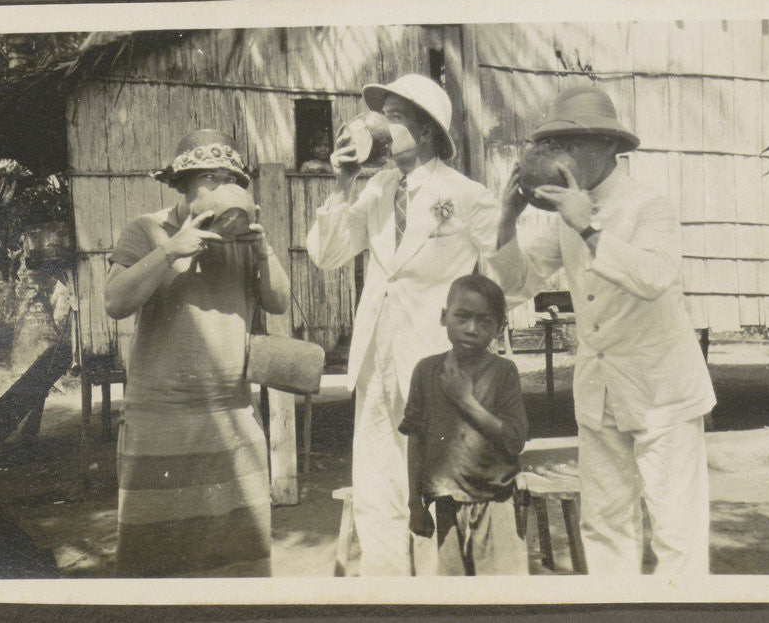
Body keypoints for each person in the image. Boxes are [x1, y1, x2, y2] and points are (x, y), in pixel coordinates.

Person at [486, 86, 715, 575]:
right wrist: (507, 223)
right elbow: (517, 284)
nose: (561, 156)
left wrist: (589, 230)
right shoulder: (569, 213)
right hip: (600, 392)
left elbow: (653, 277)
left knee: (677, 531)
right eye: (556, 146)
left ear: (609, 145)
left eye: (573, 144)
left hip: (662, 394)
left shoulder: (649, 206)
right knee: (605, 525)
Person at [306, 74, 499, 575]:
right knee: (376, 488)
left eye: (393, 117)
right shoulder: (377, 189)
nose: (379, 126)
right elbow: (326, 254)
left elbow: (512, 272)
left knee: (436, 487)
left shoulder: (466, 195)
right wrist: (343, 183)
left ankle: (440, 595)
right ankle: (387, 591)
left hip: (435, 364)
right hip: (377, 361)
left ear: (427, 130)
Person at [105, 129, 290, 577]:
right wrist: (169, 251)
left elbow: (279, 303)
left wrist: (264, 251)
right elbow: (115, 301)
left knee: (238, 561)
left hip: (232, 415)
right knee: (157, 560)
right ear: (183, 183)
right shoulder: (148, 229)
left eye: (231, 180)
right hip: (161, 419)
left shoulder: (243, 240)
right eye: (210, 178)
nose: (223, 188)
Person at [400, 274, 528, 576]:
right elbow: (415, 439)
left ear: (499, 327)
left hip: (495, 503)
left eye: (484, 321)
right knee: (454, 591)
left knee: (501, 593)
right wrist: (415, 503)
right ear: (444, 317)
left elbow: (515, 439)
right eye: (462, 316)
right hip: (445, 503)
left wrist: (466, 400)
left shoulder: (503, 373)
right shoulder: (426, 371)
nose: (471, 328)